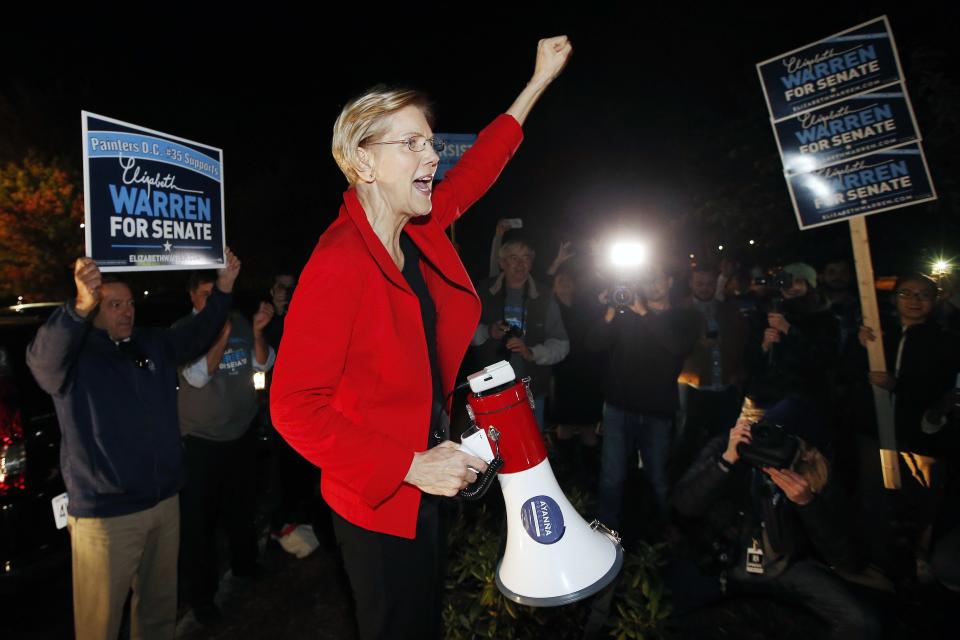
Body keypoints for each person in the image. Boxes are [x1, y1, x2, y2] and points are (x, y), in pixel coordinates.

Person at [269, 37, 572, 639]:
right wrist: (409, 466)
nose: (431, 155)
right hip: (379, 501)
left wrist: (537, 81)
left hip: (426, 477)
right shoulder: (339, 262)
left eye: (430, 142)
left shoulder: (421, 226)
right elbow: (292, 409)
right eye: (411, 143)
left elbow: (481, 165)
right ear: (362, 161)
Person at [26, 251, 240, 640]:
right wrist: (78, 307)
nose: (127, 313)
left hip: (163, 505)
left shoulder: (149, 344)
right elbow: (43, 360)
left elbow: (194, 336)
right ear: (94, 310)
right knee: (100, 626)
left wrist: (223, 289)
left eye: (129, 304)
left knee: (158, 615)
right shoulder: (75, 358)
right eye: (113, 305)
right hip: (107, 517)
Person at [670, 398, 883, 639]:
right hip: (725, 557)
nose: (771, 444)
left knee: (862, 622)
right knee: (673, 609)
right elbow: (683, 505)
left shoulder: (817, 473)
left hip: (786, 566)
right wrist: (726, 462)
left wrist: (808, 504)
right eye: (766, 432)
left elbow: (847, 558)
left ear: (808, 451)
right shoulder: (733, 447)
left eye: (784, 441)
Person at [176, 271, 276, 625]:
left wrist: (259, 332)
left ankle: (246, 567)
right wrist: (221, 335)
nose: (212, 300)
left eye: (216, 293)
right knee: (199, 526)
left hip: (241, 433)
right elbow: (198, 376)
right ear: (192, 298)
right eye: (205, 294)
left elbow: (263, 363)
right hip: (201, 442)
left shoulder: (239, 323)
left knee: (241, 509)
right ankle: (202, 600)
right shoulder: (185, 332)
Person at [588, 262, 700, 525]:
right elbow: (593, 344)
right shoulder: (625, 313)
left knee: (658, 477)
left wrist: (642, 312)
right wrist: (610, 311)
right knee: (612, 476)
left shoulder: (685, 317)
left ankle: (663, 530)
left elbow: (675, 346)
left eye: (658, 279)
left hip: (658, 411)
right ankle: (607, 533)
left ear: (670, 281)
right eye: (647, 280)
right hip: (618, 407)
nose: (653, 285)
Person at [472, 232, 570, 429]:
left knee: (532, 455)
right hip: (491, 392)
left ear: (531, 263)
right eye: (513, 258)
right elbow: (463, 336)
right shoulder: (483, 291)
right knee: (495, 454)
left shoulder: (544, 296)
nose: (520, 264)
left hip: (531, 392)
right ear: (502, 263)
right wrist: (488, 332)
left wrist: (532, 352)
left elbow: (561, 344)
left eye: (525, 258)